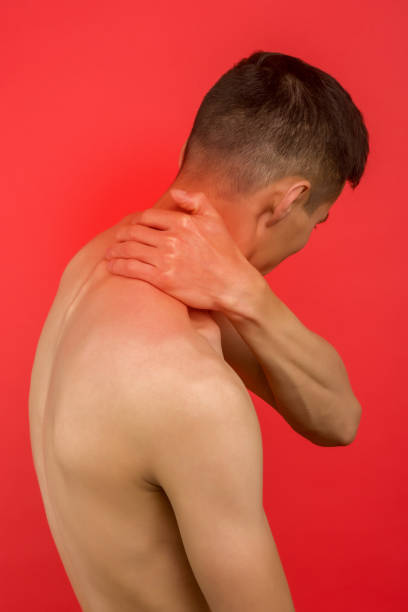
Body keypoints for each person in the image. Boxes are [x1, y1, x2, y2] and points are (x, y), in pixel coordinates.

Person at [29, 50, 369, 612]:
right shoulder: (187, 385)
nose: (311, 237)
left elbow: (339, 419)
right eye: (319, 219)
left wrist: (248, 296)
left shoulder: (99, 265)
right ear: (289, 201)